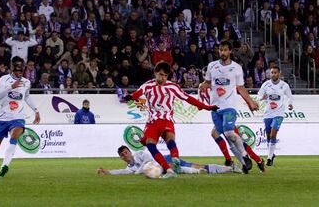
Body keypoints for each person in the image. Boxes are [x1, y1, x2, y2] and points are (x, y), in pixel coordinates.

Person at [124, 62, 218, 178]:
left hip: (166, 119)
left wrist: (207, 107)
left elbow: (188, 99)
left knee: (170, 139)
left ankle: (175, 159)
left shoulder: (173, 87)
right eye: (161, 75)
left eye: (165, 76)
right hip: (152, 121)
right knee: (150, 144)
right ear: (155, 73)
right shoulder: (147, 85)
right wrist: (130, 97)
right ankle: (169, 170)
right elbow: (137, 94)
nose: (163, 78)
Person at [199, 41, 259, 174]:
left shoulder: (237, 67)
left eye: (225, 50)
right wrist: (202, 86)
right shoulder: (211, 66)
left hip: (229, 106)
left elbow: (240, 88)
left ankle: (244, 156)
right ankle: (242, 163)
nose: (223, 53)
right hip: (215, 107)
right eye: (221, 50)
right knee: (224, 138)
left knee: (229, 133)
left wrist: (250, 102)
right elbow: (208, 83)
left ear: (230, 51)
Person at [0, 56, 40, 177]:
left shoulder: (26, 82)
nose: (19, 73)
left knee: (15, 135)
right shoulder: (4, 79)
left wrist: (36, 110)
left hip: (18, 117)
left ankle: (4, 166)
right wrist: (11, 86)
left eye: (21, 71)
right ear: (12, 69)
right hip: (1, 118)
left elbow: (26, 96)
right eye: (17, 70)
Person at [97, 146, 242, 175]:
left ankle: (230, 168)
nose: (126, 155)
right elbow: (123, 171)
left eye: (126, 152)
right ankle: (229, 169)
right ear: (122, 158)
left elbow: (149, 162)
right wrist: (108, 172)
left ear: (129, 151)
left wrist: (138, 173)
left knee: (199, 167)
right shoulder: (130, 167)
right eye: (123, 154)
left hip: (167, 161)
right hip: (166, 168)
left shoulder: (140, 154)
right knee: (197, 171)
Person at [258, 66, 293, 166]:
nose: (273, 74)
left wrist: (290, 104)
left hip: (279, 113)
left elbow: (290, 96)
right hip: (268, 113)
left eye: (275, 72)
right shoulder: (266, 84)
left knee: (273, 134)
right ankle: (271, 154)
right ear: (270, 74)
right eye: (272, 72)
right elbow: (259, 95)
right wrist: (262, 97)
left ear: (279, 74)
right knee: (268, 135)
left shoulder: (284, 85)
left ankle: (269, 158)